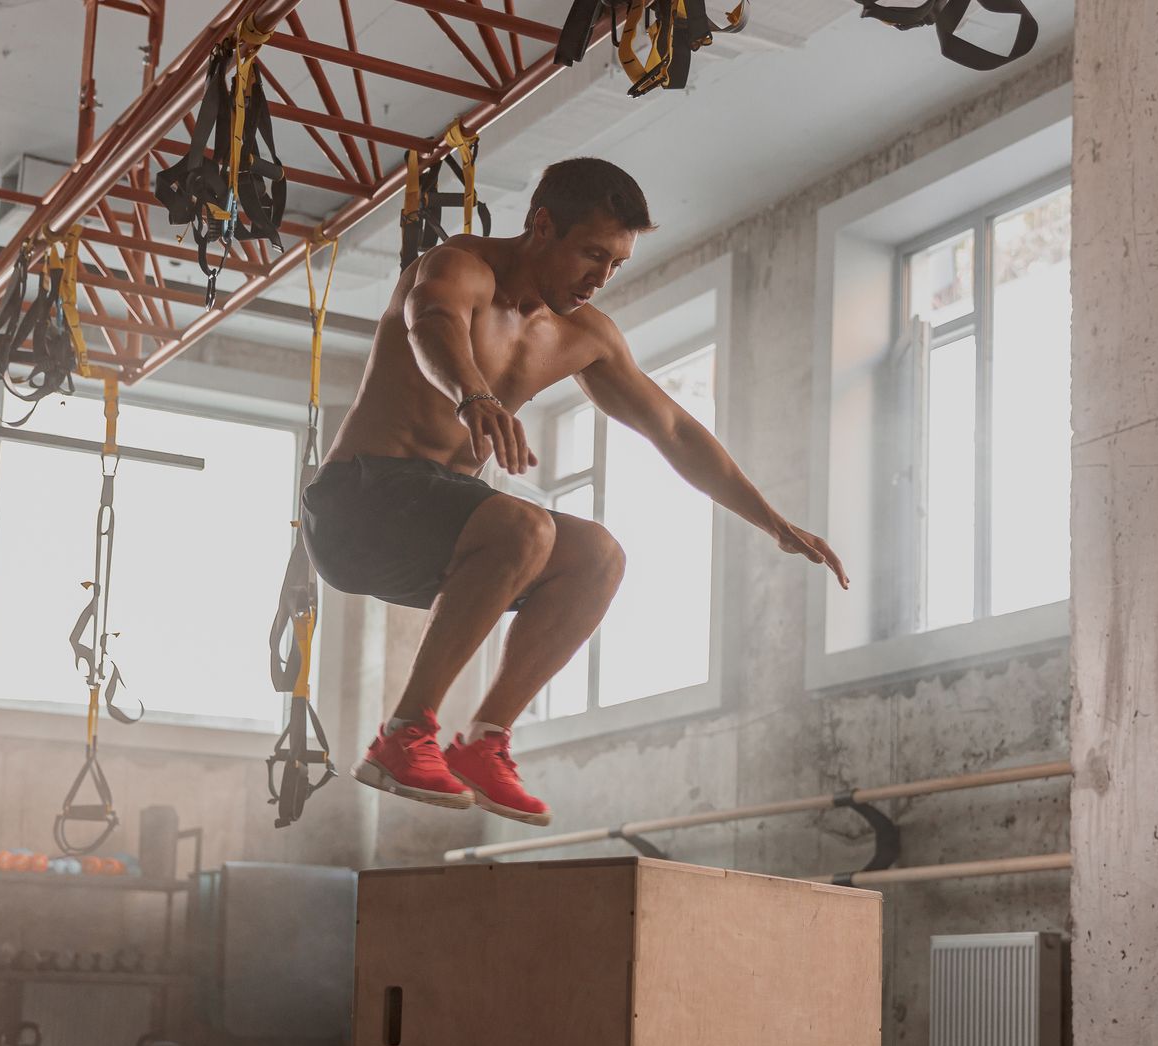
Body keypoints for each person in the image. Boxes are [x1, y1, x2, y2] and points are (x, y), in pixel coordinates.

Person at [303, 156, 848, 827]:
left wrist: (770, 520)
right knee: (525, 527)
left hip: (435, 536)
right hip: (358, 505)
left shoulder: (583, 337)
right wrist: (472, 394)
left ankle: (484, 742)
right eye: (591, 253)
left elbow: (673, 429)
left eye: (615, 263)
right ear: (541, 226)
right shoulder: (460, 267)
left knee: (599, 556)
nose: (601, 277)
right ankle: (403, 735)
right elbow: (429, 320)